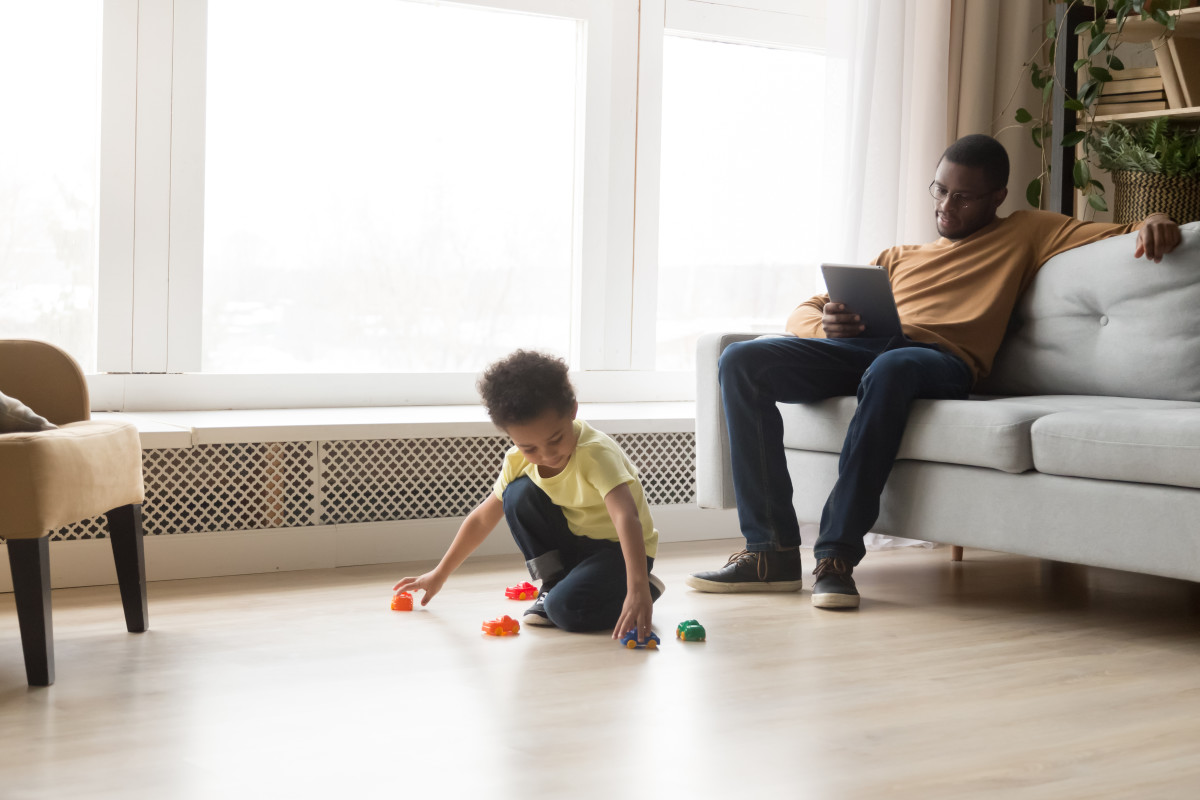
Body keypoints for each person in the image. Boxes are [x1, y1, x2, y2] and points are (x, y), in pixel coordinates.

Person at [686, 133, 1182, 610]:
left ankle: (836, 554)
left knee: (893, 365)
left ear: (996, 197)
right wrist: (825, 326)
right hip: (867, 352)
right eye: (940, 190)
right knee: (742, 360)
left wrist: (1158, 216)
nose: (946, 206)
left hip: (938, 361)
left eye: (963, 197)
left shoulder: (1028, 230)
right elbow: (807, 307)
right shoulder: (897, 257)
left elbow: (1121, 232)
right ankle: (769, 552)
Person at [393, 349, 665, 641]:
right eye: (529, 448)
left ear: (572, 411)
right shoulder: (516, 461)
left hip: (618, 551)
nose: (546, 455)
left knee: (565, 612)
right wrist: (439, 574)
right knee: (517, 493)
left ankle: (642, 588)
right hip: (575, 546)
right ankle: (555, 579)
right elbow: (482, 520)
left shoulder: (596, 454)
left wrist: (636, 586)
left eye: (555, 439)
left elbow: (626, 516)